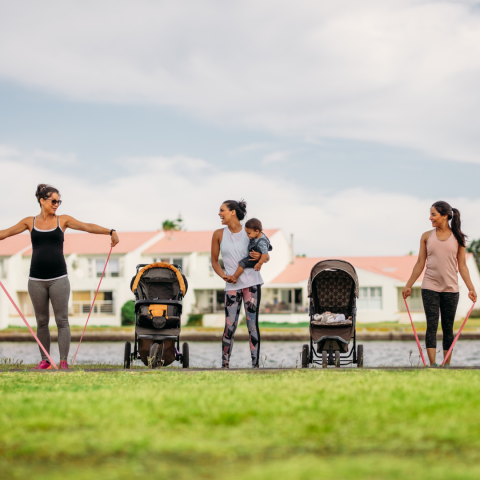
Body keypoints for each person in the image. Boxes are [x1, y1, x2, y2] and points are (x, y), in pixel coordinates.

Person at [0, 184, 120, 370]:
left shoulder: (62, 221)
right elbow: (5, 233)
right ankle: (45, 361)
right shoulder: (28, 222)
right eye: (53, 201)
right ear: (42, 200)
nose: (57, 204)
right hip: (36, 280)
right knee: (41, 322)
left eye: (59, 201)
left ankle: (63, 361)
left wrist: (110, 231)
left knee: (62, 320)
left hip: (59, 279)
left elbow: (87, 227)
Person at [403, 201, 477, 367]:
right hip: (429, 286)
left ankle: (447, 365)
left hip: (451, 288)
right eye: (430, 214)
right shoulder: (426, 236)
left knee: (448, 327)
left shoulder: (458, 238)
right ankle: (433, 365)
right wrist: (408, 285)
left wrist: (471, 288)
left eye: (433, 214)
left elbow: (463, 266)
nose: (430, 218)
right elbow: (420, 263)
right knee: (432, 325)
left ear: (445, 216)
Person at [211, 200, 269, 368]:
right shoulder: (218, 234)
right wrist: (224, 276)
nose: (219, 214)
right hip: (231, 287)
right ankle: (225, 365)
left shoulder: (249, 232)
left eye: (222, 210)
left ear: (233, 212)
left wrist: (261, 258)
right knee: (229, 326)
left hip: (251, 285)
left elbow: (266, 254)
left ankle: (255, 365)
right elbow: (214, 261)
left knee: (252, 325)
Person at [230, 218, 272, 283]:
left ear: (257, 231)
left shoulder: (261, 242)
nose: (247, 235)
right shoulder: (256, 235)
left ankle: (234, 277)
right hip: (254, 256)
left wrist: (259, 263)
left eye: (249, 233)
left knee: (242, 263)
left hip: (255, 260)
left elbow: (265, 253)